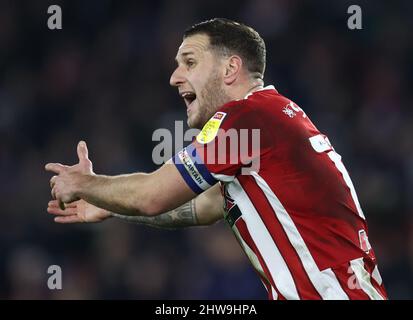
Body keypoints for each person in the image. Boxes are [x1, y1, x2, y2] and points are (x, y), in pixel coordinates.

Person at [46, 18, 387, 300]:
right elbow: (204, 207)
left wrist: (83, 184)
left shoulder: (245, 116)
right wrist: (112, 204)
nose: (174, 77)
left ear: (230, 68)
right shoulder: (275, 117)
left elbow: (151, 196)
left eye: (190, 62)